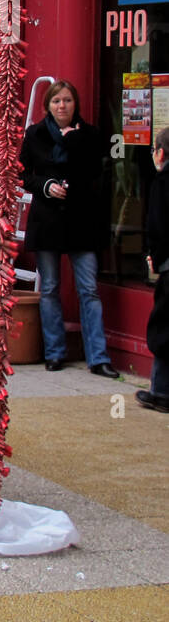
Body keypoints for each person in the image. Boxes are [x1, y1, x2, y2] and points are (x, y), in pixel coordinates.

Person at [20, 79, 117, 378]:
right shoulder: (35, 134)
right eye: (56, 101)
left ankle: (98, 358)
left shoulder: (90, 135)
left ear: (75, 104)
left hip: (81, 220)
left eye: (67, 101)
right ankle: (55, 353)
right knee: (49, 288)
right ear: (48, 105)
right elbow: (24, 174)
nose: (62, 106)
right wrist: (46, 186)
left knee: (88, 288)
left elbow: (94, 171)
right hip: (47, 219)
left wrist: (72, 142)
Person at [141, 126, 169, 412]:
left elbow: (158, 225)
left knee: (163, 328)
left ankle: (161, 391)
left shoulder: (162, 182)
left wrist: (155, 257)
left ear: (160, 153)